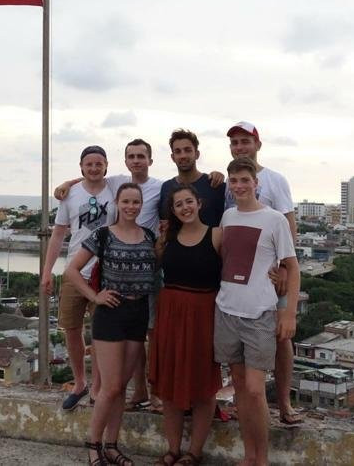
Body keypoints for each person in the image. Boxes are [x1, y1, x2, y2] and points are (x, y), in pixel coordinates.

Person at [53, 138, 170, 410]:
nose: (137, 160)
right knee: (109, 333)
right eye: (131, 156)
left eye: (142, 156)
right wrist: (66, 185)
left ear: (150, 160)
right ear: (125, 161)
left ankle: (149, 392)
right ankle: (104, 387)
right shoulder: (117, 181)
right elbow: (91, 176)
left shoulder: (161, 186)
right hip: (109, 266)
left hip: (144, 268)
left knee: (145, 334)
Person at [64, 182, 157, 466]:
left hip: (138, 312)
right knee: (111, 386)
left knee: (122, 386)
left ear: (141, 205)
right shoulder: (102, 235)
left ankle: (113, 445)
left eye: (136, 202)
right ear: (117, 203)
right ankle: (93, 445)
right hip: (110, 313)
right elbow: (72, 270)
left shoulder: (149, 236)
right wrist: (95, 296)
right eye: (126, 201)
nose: (131, 207)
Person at [215, 157, 299, 466]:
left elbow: (292, 267)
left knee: (254, 390)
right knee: (239, 388)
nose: (239, 186)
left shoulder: (274, 219)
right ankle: (248, 454)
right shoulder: (227, 217)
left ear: (256, 183)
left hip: (259, 313)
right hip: (227, 310)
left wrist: (288, 313)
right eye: (233, 181)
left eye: (244, 180)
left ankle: (260, 458)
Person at [225, 121, 301, 425]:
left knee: (282, 336)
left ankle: (284, 403)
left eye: (245, 141)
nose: (240, 146)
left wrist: (284, 268)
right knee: (234, 341)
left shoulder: (274, 180)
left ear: (257, 144)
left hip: (272, 274)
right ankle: (242, 402)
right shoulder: (231, 179)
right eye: (235, 143)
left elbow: (289, 225)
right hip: (239, 276)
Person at [149, 185, 222, 466]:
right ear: (173, 210)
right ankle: (173, 449)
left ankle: (195, 452)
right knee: (168, 385)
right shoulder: (168, 237)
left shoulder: (216, 235)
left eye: (189, 201)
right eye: (178, 204)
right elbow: (156, 269)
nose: (184, 208)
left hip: (204, 313)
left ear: (199, 203)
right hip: (171, 313)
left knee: (204, 384)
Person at [42, 144, 114, 411]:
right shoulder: (70, 194)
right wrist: (47, 272)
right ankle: (80, 382)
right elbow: (58, 234)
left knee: (100, 333)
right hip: (75, 270)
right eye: (89, 164)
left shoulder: (115, 187)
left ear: (106, 166)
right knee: (71, 328)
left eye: (99, 164)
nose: (94, 168)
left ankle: (97, 386)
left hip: (105, 272)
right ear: (81, 167)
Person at [159, 129, 226, 229]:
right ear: (173, 157)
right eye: (178, 151)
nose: (183, 155)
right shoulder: (166, 187)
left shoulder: (214, 184)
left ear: (197, 154)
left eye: (188, 150)